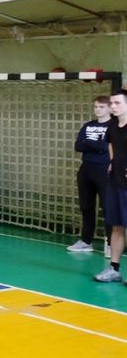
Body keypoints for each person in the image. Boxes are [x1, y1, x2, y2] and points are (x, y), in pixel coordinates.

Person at [68, 96, 113, 255]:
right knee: (86, 206)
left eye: (101, 107)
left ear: (109, 108)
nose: (98, 110)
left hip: (105, 170)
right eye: (96, 107)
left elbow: (108, 147)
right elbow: (78, 146)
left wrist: (89, 143)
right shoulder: (88, 125)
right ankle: (86, 241)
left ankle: (110, 244)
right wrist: (98, 145)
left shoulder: (114, 126)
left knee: (108, 207)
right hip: (86, 169)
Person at [95, 90, 127, 282]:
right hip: (116, 182)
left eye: (117, 103)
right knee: (116, 226)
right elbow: (111, 144)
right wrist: (113, 162)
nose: (113, 107)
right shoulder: (113, 126)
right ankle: (114, 269)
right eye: (111, 103)